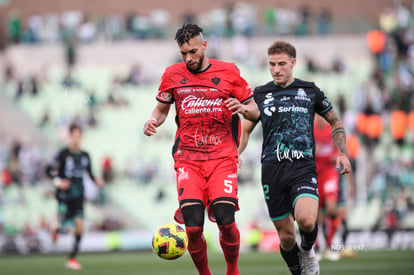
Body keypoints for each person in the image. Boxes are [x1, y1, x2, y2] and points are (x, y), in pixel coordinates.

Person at [143, 23, 259, 275]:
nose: (188, 58)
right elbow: (161, 109)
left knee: (226, 220)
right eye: (183, 54)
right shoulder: (172, 75)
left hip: (222, 157)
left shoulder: (228, 72)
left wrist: (242, 108)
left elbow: (255, 110)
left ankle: (232, 271)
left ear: (204, 46)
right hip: (188, 160)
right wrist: (153, 120)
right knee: (193, 228)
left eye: (193, 52)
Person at [238, 41, 352, 275]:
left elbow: (335, 120)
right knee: (287, 237)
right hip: (272, 170)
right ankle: (298, 271)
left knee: (307, 221)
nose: (276, 69)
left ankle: (309, 250)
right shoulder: (260, 94)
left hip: (303, 167)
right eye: (272, 64)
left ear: (293, 63)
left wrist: (342, 152)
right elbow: (246, 129)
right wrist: (235, 154)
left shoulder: (309, 90)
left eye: (281, 64)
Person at [45, 123, 104, 270]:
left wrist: (96, 180)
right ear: (70, 136)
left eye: (79, 135)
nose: (77, 138)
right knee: (64, 226)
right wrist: (58, 182)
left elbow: (89, 174)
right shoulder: (63, 153)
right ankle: (56, 228)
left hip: (78, 195)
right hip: (64, 195)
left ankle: (71, 258)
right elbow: (48, 170)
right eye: (74, 135)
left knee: (79, 228)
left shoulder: (85, 155)